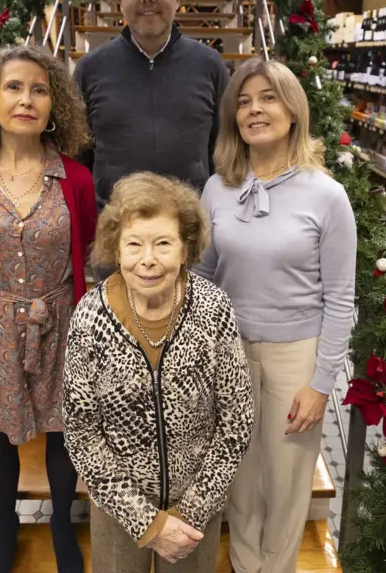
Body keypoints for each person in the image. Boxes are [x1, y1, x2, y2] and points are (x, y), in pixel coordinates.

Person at [0, 45, 97, 573]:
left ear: (55, 104)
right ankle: (6, 528)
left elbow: (91, 261)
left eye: (39, 89)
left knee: (62, 428)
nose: (26, 99)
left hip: (63, 320)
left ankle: (60, 527)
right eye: (13, 87)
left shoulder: (75, 178)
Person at [195, 58, 358, 573]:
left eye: (268, 97)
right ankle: (246, 566)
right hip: (230, 354)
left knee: (287, 484)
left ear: (293, 110)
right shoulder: (217, 187)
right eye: (243, 101)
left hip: (295, 357)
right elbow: (202, 275)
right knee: (239, 480)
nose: (254, 109)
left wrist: (321, 382)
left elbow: (340, 296)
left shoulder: (327, 195)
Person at [63, 173, 253, 573]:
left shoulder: (212, 309)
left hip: (194, 512)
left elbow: (237, 420)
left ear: (186, 249)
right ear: (116, 250)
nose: (147, 259)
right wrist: (145, 521)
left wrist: (191, 511)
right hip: (118, 508)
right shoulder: (89, 316)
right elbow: (81, 431)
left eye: (163, 243)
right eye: (134, 244)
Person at [73, 0, 230, 212]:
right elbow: (77, 156)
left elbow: (225, 149)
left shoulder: (210, 65)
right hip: (115, 232)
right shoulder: (90, 69)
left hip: (192, 230)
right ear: (120, 0)